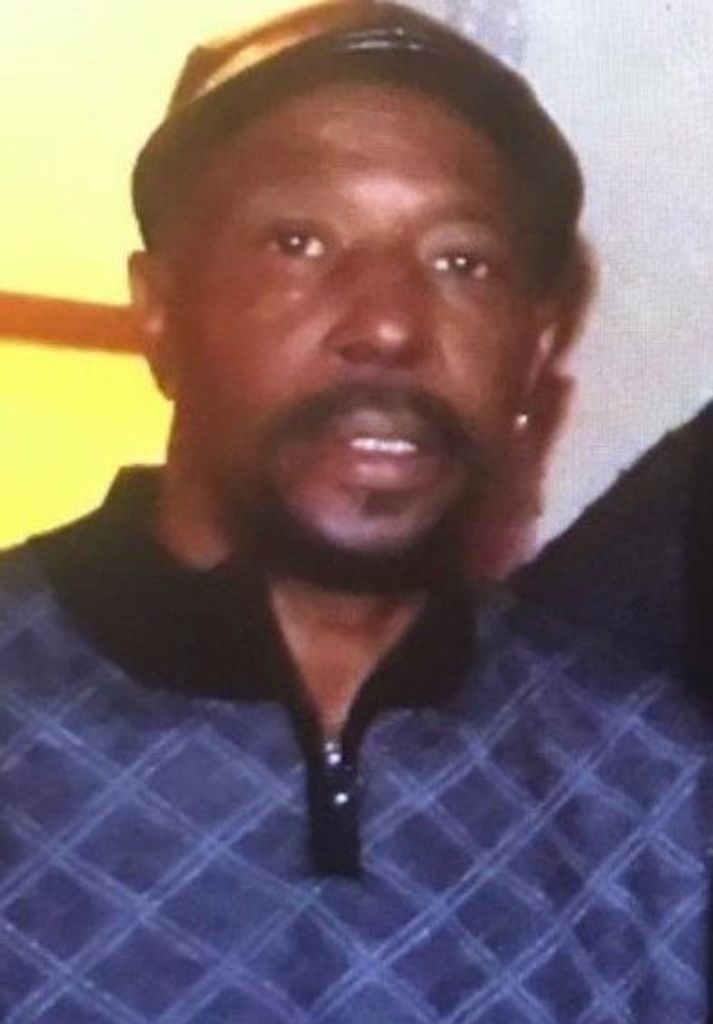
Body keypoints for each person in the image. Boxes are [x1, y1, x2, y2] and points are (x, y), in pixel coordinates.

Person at [1, 4, 709, 1021]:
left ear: (534, 346)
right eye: (298, 243)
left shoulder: (648, 785)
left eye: (460, 263)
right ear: (158, 312)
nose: (387, 325)